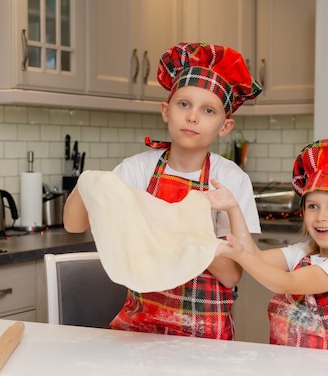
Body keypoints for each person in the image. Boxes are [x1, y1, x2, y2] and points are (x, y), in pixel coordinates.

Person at [63, 42, 262, 340]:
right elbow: (74, 225)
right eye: (184, 104)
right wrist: (87, 183)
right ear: (166, 111)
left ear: (225, 126)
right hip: (138, 327)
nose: (192, 116)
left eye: (208, 110)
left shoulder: (229, 179)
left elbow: (232, 274)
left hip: (203, 334)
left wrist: (172, 227)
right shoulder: (137, 170)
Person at [206, 138, 328, 350]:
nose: (321, 216)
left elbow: (286, 283)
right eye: (313, 206)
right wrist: (233, 208)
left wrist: (239, 256)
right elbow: (255, 256)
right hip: (288, 367)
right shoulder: (302, 252)